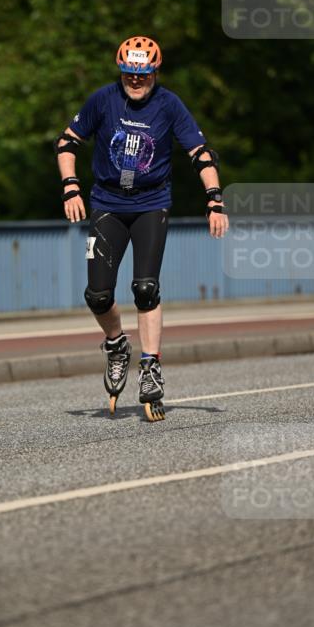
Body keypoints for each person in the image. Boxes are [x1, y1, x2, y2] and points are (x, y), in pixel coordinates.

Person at [55, 36, 229, 421]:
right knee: (97, 295)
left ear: (155, 72)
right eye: (129, 75)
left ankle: (150, 366)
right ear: (121, 72)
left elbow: (201, 153)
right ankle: (117, 345)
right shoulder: (102, 100)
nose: (135, 82)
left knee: (145, 288)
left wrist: (214, 200)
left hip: (151, 205)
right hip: (106, 205)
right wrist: (71, 187)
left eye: (143, 75)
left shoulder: (169, 104)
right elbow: (67, 143)